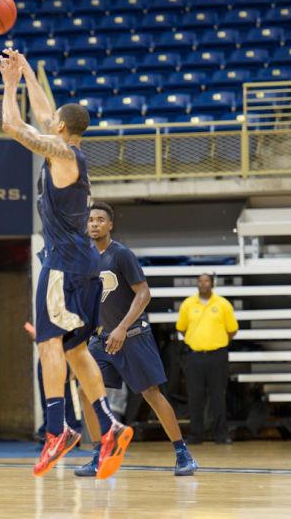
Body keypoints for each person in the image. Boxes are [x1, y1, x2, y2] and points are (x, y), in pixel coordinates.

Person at [0, 48, 131, 479]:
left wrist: (8, 84)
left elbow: (12, 125)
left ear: (60, 126)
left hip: (63, 265)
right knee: (74, 349)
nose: (48, 119)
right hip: (83, 266)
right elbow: (42, 114)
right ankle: (108, 425)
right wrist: (27, 72)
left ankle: (57, 430)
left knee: (47, 345)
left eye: (53, 118)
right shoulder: (70, 151)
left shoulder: (59, 152)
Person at [75, 202, 198, 477]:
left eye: (99, 220)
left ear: (110, 225)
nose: (94, 224)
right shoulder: (85, 259)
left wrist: (120, 328)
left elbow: (144, 294)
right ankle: (99, 455)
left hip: (132, 336)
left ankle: (183, 453)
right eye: (90, 220)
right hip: (101, 340)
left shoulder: (121, 255)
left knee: (151, 394)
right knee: (86, 391)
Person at [176, 274, 238, 445]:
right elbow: (181, 328)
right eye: (200, 281)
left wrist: (217, 343)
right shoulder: (188, 304)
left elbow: (232, 330)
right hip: (194, 356)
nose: (203, 284)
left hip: (217, 356)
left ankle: (221, 435)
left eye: (206, 281)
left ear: (212, 284)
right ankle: (196, 434)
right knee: (195, 396)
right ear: (197, 284)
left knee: (218, 396)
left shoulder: (223, 304)